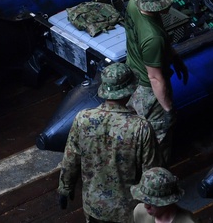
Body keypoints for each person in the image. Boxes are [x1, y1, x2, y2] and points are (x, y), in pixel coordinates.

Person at [58, 62, 160, 223]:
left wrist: (65, 188)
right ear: (130, 91)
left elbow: (71, 157)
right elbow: (151, 172)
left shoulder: (83, 118)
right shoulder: (140, 127)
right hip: (128, 211)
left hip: (94, 208)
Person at [125, 0, 189, 163]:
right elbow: (155, 79)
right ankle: (155, 175)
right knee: (158, 137)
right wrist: (168, 109)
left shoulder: (133, 3)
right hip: (147, 91)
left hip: (133, 72)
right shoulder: (153, 38)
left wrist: (174, 58)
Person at [132, 167, 198, 223]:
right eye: (144, 200)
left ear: (167, 201)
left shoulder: (188, 221)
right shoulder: (140, 213)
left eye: (152, 202)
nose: (146, 206)